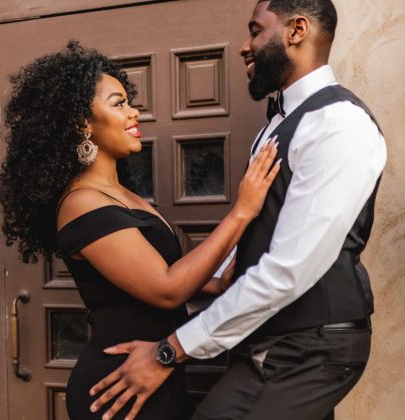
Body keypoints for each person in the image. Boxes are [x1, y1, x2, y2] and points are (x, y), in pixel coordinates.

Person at [88, 1, 387, 419]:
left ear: (296, 30)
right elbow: (263, 234)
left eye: (255, 30)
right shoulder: (276, 125)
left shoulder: (339, 125)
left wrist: (168, 351)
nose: (245, 46)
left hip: (308, 348)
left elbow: (287, 269)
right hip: (267, 341)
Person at [0, 41, 280, 420]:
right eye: (118, 103)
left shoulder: (122, 195)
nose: (134, 112)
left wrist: (217, 282)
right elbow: (165, 289)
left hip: (153, 374)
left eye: (128, 102)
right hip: (118, 385)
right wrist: (242, 212)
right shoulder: (81, 202)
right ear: (83, 123)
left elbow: (143, 282)